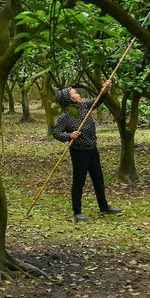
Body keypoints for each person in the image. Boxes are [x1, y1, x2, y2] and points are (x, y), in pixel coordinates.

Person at [52, 82, 122, 222]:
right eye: (75, 93)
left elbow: (98, 100)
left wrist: (104, 90)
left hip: (92, 149)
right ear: (69, 99)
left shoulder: (84, 106)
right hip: (79, 152)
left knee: (98, 178)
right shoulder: (65, 116)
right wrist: (69, 135)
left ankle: (104, 206)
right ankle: (77, 211)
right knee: (79, 181)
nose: (78, 94)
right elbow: (56, 132)